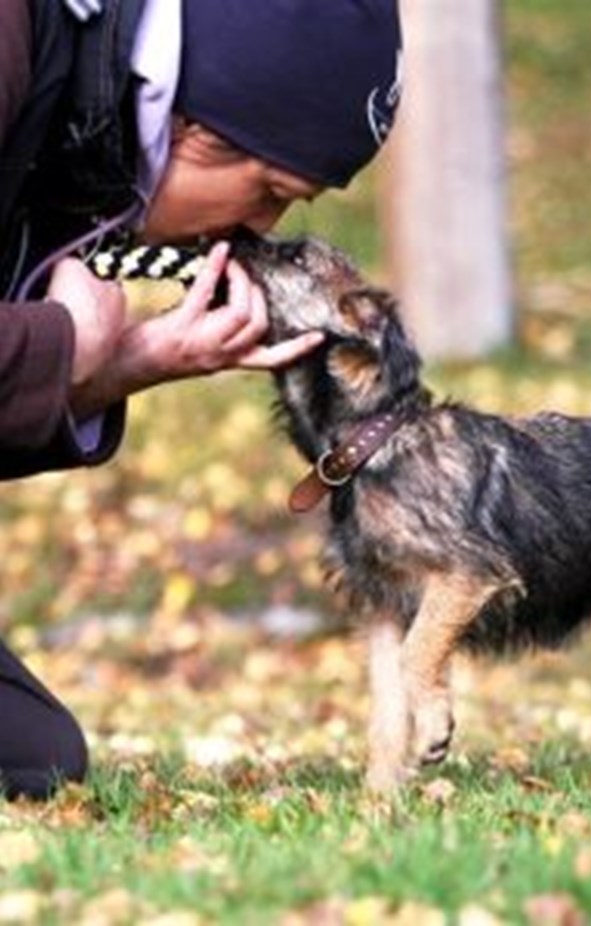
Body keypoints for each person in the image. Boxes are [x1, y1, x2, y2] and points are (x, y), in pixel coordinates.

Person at [0, 0, 402, 799]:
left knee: (32, 756)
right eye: (269, 191)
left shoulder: (73, 109)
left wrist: (121, 364)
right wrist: (61, 345)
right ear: (198, 126)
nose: (253, 229)